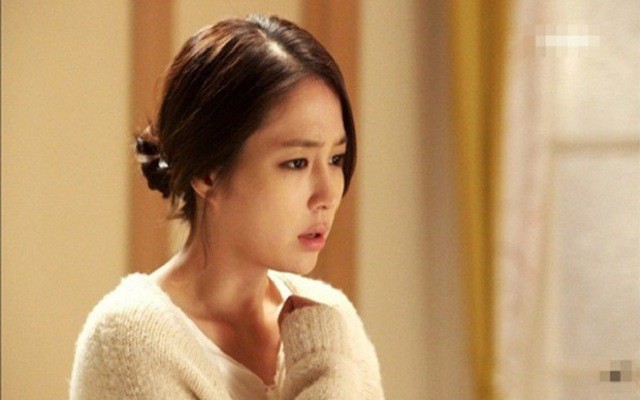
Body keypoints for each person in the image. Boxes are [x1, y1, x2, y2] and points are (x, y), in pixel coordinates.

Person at [69, 14, 384, 400]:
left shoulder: (332, 319)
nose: (327, 194)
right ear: (208, 173)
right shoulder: (130, 341)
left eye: (335, 159)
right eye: (296, 163)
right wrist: (326, 369)